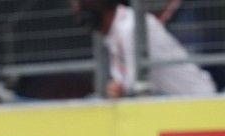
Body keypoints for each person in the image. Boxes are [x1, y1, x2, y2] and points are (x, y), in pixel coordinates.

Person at [71, 0, 216, 98]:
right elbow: (120, 81)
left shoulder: (131, 27)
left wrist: (117, 88)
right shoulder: (117, 31)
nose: (79, 18)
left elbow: (135, 82)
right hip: (168, 99)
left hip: (192, 98)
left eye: (81, 12)